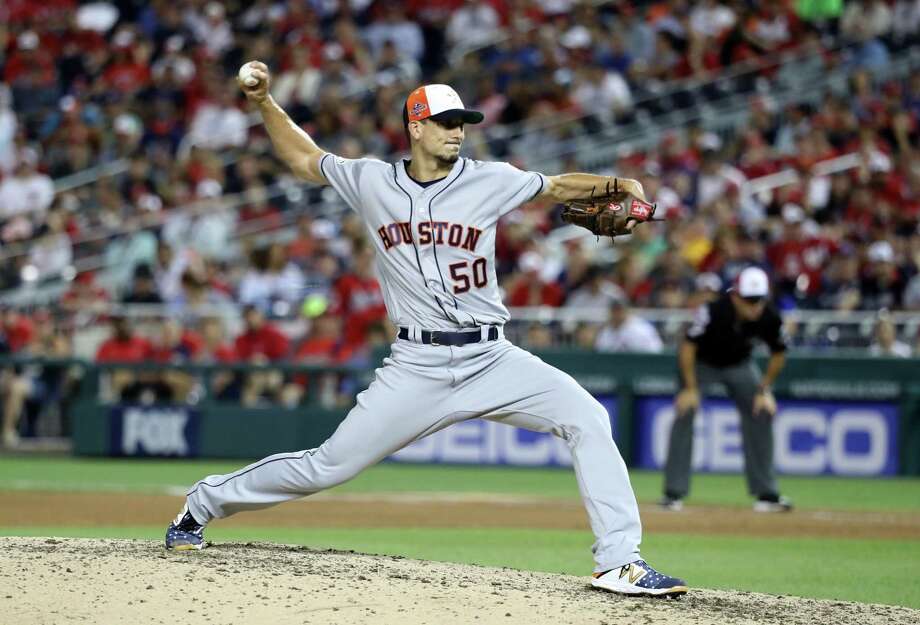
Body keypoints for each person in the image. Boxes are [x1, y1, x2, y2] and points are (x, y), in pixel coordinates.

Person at [165, 64, 687, 598]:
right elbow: (303, 158)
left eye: (461, 121)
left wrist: (619, 184)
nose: (457, 130)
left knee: (588, 418)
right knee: (327, 466)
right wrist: (265, 101)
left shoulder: (490, 179)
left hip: (492, 358)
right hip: (416, 366)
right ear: (416, 127)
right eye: (444, 121)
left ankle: (620, 562)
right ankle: (201, 505)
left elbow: (557, 187)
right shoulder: (371, 180)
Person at [660, 266, 791, 513]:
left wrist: (764, 390)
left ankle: (766, 493)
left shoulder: (770, 316)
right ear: (735, 296)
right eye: (750, 300)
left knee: (761, 411)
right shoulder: (713, 311)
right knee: (685, 412)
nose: (755, 306)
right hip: (701, 364)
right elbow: (687, 348)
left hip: (740, 365)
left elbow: (779, 353)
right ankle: (673, 492)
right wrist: (690, 388)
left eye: (760, 300)